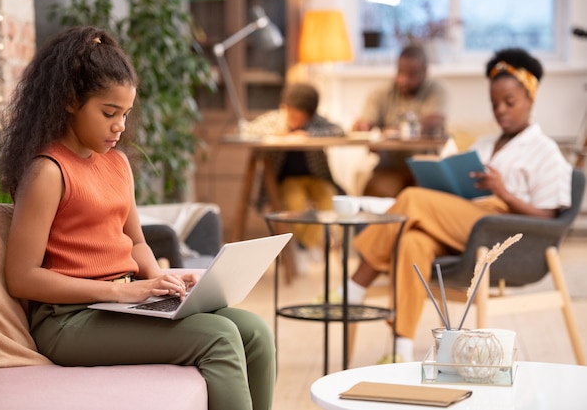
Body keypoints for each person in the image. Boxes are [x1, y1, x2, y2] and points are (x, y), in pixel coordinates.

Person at [0, 26, 275, 410]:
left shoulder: (118, 164)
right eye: (109, 113)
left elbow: (137, 242)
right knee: (219, 337)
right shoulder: (48, 171)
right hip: (68, 322)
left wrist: (157, 277)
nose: (121, 126)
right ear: (68, 100)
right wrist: (118, 291)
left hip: (121, 304)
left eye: (126, 114)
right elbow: (21, 276)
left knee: (255, 331)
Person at [343, 48, 572, 363]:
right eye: (495, 104)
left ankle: (355, 285)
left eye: (510, 102)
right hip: (464, 222)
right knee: (413, 241)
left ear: (531, 99)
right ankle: (401, 349)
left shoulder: (546, 152)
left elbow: (549, 217)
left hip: (502, 231)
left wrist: (505, 194)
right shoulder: (485, 144)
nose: (501, 111)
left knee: (411, 198)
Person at [243, 82, 345, 269]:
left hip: (316, 179)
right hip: (287, 180)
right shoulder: (275, 120)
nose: (293, 118)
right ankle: (308, 244)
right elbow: (247, 130)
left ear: (310, 115)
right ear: (284, 107)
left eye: (299, 116)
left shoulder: (315, 123)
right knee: (295, 202)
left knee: (328, 200)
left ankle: (304, 244)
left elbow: (339, 130)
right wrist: (278, 134)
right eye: (290, 113)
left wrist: (308, 135)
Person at [352, 44, 447, 198]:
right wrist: (362, 127)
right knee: (375, 191)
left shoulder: (436, 91)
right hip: (390, 168)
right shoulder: (381, 93)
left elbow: (434, 120)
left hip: (425, 169)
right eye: (400, 72)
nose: (404, 80)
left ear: (424, 72)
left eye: (412, 74)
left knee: (426, 198)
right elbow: (366, 123)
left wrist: (394, 131)